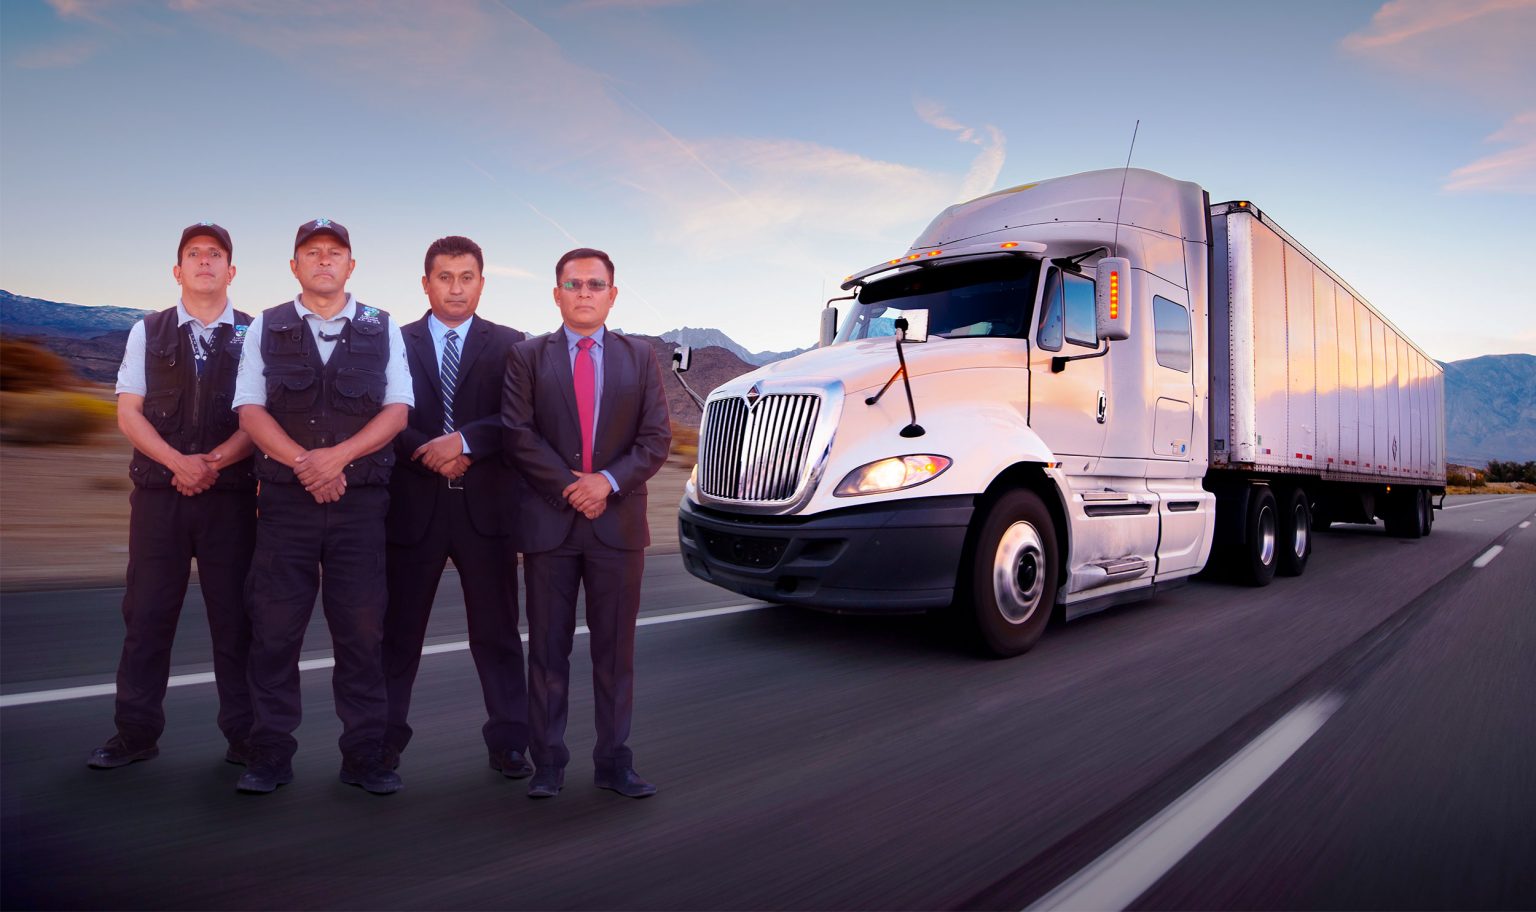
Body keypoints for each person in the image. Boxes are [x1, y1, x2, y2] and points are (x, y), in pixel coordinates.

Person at [232, 219, 412, 795]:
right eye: (312, 253)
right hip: (286, 506)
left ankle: (364, 757)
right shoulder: (267, 325)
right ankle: (269, 757)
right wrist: (306, 465)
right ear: (295, 266)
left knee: (361, 634)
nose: (324, 261)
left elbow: (397, 410)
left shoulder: (383, 327)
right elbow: (251, 410)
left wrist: (337, 460)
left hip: (360, 507)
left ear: (351, 266)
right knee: (275, 632)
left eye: (335, 253)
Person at [501, 247, 670, 799]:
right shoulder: (527, 356)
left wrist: (607, 483)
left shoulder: (640, 357)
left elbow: (655, 440)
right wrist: (574, 486)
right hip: (550, 525)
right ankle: (547, 763)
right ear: (556, 294)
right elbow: (517, 433)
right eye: (573, 285)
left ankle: (614, 762)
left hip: (617, 529)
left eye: (595, 285)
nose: (584, 294)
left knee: (614, 654)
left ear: (612, 295)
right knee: (546, 651)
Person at [89, 223, 257, 770]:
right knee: (147, 618)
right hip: (160, 499)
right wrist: (178, 463)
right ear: (177, 270)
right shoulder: (147, 331)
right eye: (193, 254)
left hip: (230, 499)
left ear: (231, 272)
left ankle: (246, 737)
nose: (204, 262)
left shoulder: (257, 335)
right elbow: (128, 411)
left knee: (235, 621)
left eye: (215, 255)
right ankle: (135, 735)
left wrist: (213, 462)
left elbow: (262, 418)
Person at [382, 235, 530, 778]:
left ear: (482, 284)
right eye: (444, 277)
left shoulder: (513, 345)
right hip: (412, 510)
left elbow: (518, 419)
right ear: (425, 283)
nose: (455, 288)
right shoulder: (393, 343)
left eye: (466, 277)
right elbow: (383, 416)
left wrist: (462, 443)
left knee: (496, 633)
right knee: (397, 635)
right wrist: (431, 452)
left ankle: (511, 741)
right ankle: (383, 742)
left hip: (486, 511)